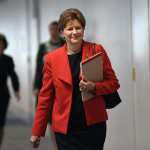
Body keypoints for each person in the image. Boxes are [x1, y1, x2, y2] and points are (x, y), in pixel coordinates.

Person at [30, 8, 120, 150]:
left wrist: (94, 87)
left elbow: (113, 83)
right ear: (62, 32)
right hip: (65, 129)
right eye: (69, 28)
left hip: (93, 126)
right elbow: (45, 97)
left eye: (78, 28)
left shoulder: (97, 50)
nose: (74, 32)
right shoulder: (51, 59)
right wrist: (37, 131)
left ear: (83, 29)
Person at [33, 21, 65, 101]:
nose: (53, 32)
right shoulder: (43, 47)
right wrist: (36, 86)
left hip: (61, 82)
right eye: (51, 29)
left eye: (55, 29)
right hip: (45, 81)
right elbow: (38, 67)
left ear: (60, 31)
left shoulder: (65, 45)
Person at [0, 33, 20, 148]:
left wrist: (16, 90)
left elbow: (13, 75)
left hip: (3, 95)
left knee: (0, 123)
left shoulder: (8, 60)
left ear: (4, 45)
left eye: (1, 43)